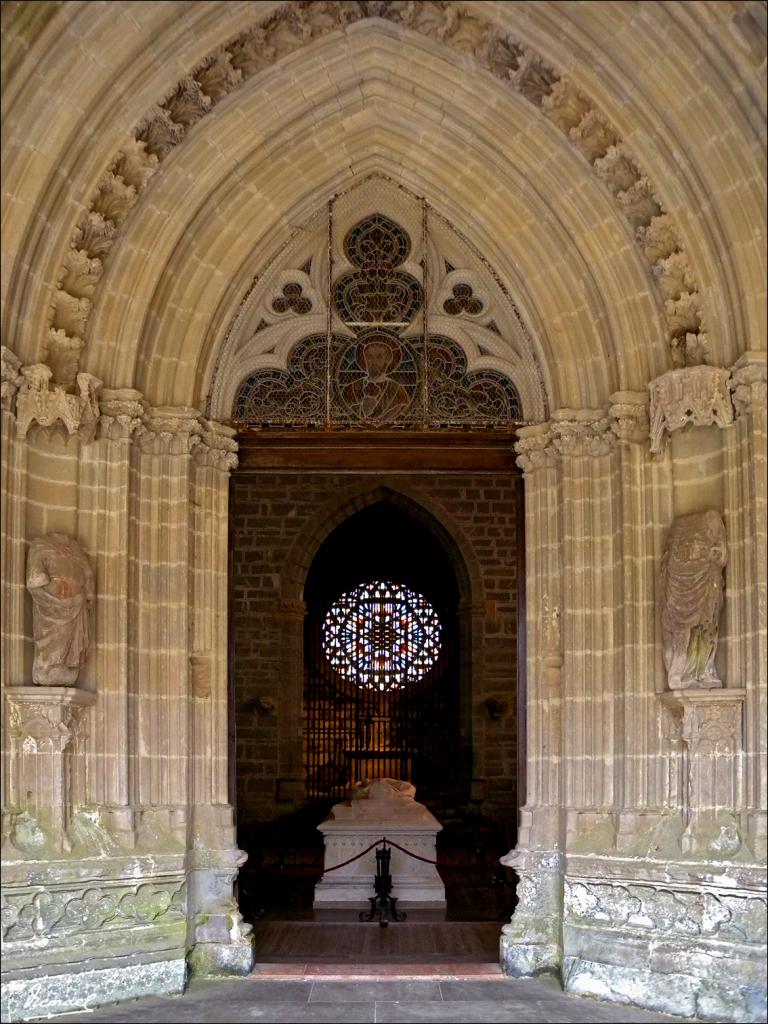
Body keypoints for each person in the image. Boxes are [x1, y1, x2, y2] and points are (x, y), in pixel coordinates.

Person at [660, 509, 726, 689]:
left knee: (708, 627)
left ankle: (704, 671)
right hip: (692, 587)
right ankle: (685, 672)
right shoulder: (682, 534)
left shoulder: (713, 522)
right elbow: (674, 559)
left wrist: (716, 554)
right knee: (685, 629)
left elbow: (722, 555)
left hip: (710, 587)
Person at [26, 534, 95, 686]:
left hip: (77, 603)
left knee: (71, 636)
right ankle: (47, 667)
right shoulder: (41, 544)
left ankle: (67, 663)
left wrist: (87, 591)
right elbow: (35, 577)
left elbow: (88, 572)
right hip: (51, 603)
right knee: (56, 634)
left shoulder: (77, 550)